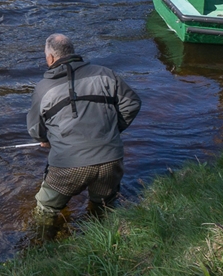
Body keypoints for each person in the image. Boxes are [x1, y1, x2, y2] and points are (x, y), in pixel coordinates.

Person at [26, 34, 141, 224]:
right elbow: (132, 103)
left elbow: (34, 129)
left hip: (68, 165)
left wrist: (45, 140)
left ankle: (44, 239)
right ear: (72, 51)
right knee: (104, 205)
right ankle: (103, 235)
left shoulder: (43, 88)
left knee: (46, 209)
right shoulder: (106, 73)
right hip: (110, 160)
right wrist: (112, 130)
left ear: (51, 58)